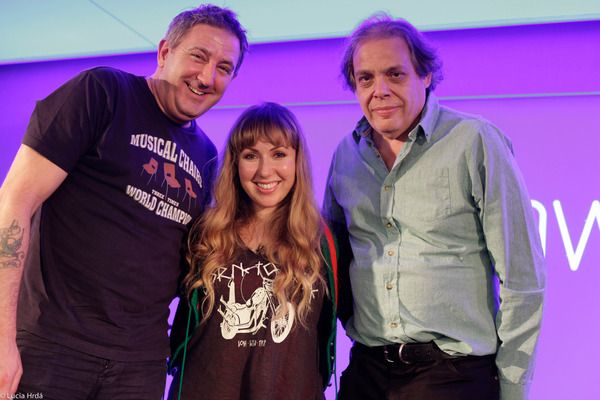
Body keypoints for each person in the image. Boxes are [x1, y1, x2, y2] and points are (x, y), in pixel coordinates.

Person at [0, 4, 248, 399]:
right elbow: (14, 202)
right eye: (198, 56)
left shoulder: (205, 155)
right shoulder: (102, 93)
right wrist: (1, 338)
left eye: (224, 68)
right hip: (52, 347)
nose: (207, 77)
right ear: (165, 51)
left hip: (139, 365)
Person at [323, 14, 545, 400]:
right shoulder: (346, 154)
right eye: (366, 78)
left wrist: (512, 388)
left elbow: (523, 278)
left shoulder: (474, 141)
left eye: (395, 74)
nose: (380, 90)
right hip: (368, 371)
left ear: (425, 75)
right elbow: (332, 263)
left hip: (453, 374)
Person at [167, 102, 337, 400]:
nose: (264, 171)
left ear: (297, 161)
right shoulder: (205, 234)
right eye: (250, 156)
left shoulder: (323, 241)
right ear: (235, 163)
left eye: (279, 154)